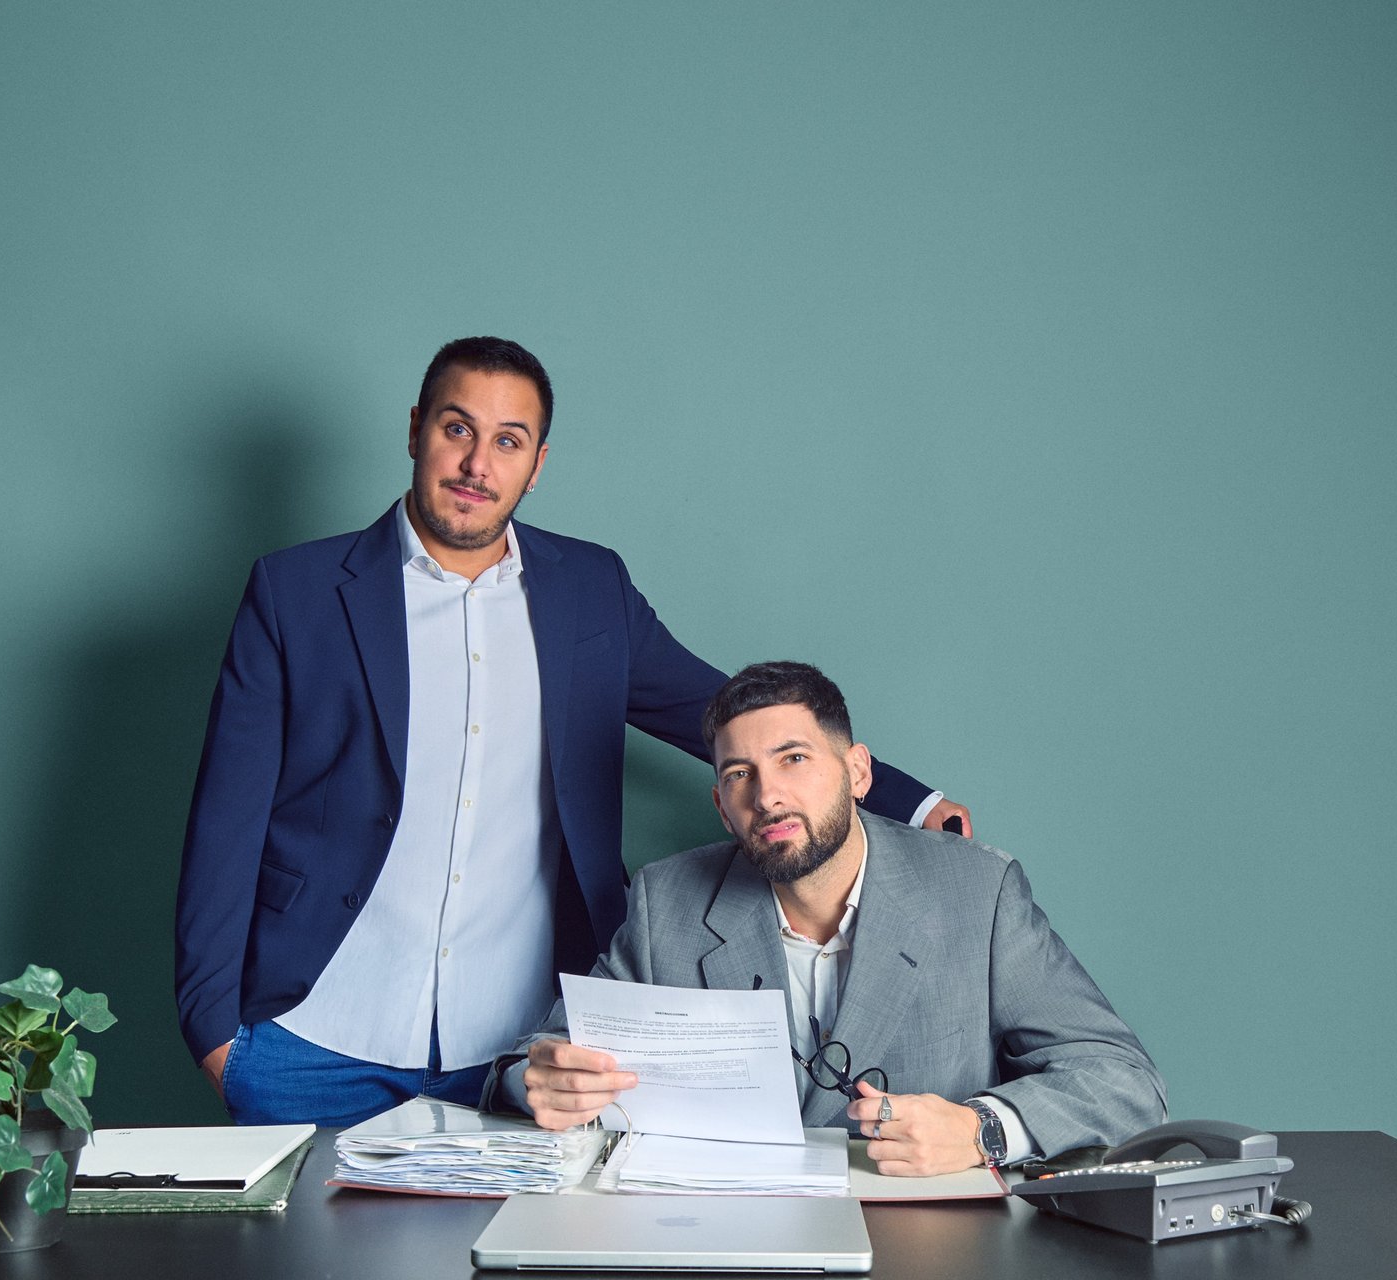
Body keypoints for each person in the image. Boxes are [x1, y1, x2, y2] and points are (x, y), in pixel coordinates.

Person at [175, 338, 971, 1127]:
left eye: (507, 442)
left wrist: (910, 800)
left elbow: (726, 712)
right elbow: (227, 817)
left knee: (509, 1259)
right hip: (312, 1039)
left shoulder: (590, 591)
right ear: (417, 429)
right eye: (457, 429)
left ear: (538, 463)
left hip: (524, 1056)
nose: (476, 464)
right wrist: (215, 1034)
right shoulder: (297, 593)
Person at [494, 661, 1164, 1174]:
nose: (768, 795)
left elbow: (1124, 1081)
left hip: (931, 1248)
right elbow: (537, 1054)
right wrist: (538, 1082)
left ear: (857, 772)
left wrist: (982, 1129)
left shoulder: (978, 890)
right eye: (738, 774)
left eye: (793, 759)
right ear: (723, 807)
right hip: (728, 1248)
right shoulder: (663, 901)